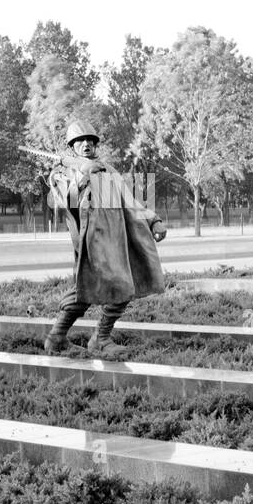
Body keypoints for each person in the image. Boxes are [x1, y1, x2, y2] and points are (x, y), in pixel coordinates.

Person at [42, 119, 168, 357]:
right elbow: (63, 202)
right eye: (81, 141)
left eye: (91, 140)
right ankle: (93, 339)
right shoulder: (61, 172)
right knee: (107, 286)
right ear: (72, 146)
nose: (87, 144)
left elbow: (129, 201)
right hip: (90, 240)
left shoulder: (107, 169)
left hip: (115, 238)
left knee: (104, 287)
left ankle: (62, 337)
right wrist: (81, 177)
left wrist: (153, 220)